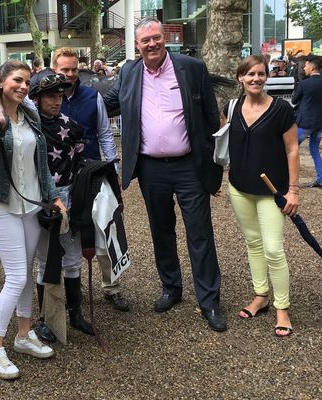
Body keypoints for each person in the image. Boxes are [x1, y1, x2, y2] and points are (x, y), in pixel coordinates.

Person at [103, 17, 227, 332]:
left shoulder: (191, 68)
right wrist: (66, 94)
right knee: (161, 230)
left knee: (200, 233)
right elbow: (106, 104)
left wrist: (216, 166)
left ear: (164, 38)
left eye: (156, 38)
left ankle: (209, 300)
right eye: (145, 40)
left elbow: (212, 117)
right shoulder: (129, 72)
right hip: (150, 167)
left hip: (189, 165)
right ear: (138, 45)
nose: (152, 44)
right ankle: (171, 287)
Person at [0, 61, 64, 380]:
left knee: (27, 270)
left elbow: (42, 163)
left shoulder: (31, 114)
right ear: (1, 81)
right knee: (17, 275)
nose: (23, 86)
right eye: (17, 81)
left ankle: (23, 336)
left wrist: (52, 196)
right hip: (2, 206)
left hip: (33, 205)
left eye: (27, 81)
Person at [224, 55, 299, 337]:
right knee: (253, 244)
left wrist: (294, 190)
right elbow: (222, 141)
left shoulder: (281, 110)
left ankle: (282, 308)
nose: (255, 79)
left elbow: (292, 150)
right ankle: (261, 295)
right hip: (239, 188)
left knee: (273, 249)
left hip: (272, 192)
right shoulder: (230, 107)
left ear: (266, 77)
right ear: (240, 78)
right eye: (249, 74)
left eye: (260, 74)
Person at [52, 47, 130, 312]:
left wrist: (114, 171)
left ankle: (112, 287)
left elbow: (105, 134)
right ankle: (72, 287)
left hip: (94, 171)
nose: (70, 74)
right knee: (67, 232)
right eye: (65, 70)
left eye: (74, 69)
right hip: (61, 176)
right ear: (55, 70)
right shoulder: (45, 98)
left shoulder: (92, 96)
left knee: (104, 227)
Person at [28, 71, 93, 342]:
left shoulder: (73, 126)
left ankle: (75, 312)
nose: (57, 101)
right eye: (50, 96)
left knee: (73, 256)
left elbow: (80, 161)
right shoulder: (29, 130)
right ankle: (47, 317)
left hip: (69, 196)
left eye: (59, 95)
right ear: (37, 99)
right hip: (41, 200)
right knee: (47, 258)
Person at [291, 55, 322, 189]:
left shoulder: (304, 84)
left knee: (292, 149)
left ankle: (290, 180)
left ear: (311, 67)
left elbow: (294, 100)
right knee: (315, 150)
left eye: (305, 66)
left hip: (305, 122)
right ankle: (321, 180)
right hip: (320, 121)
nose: (304, 68)